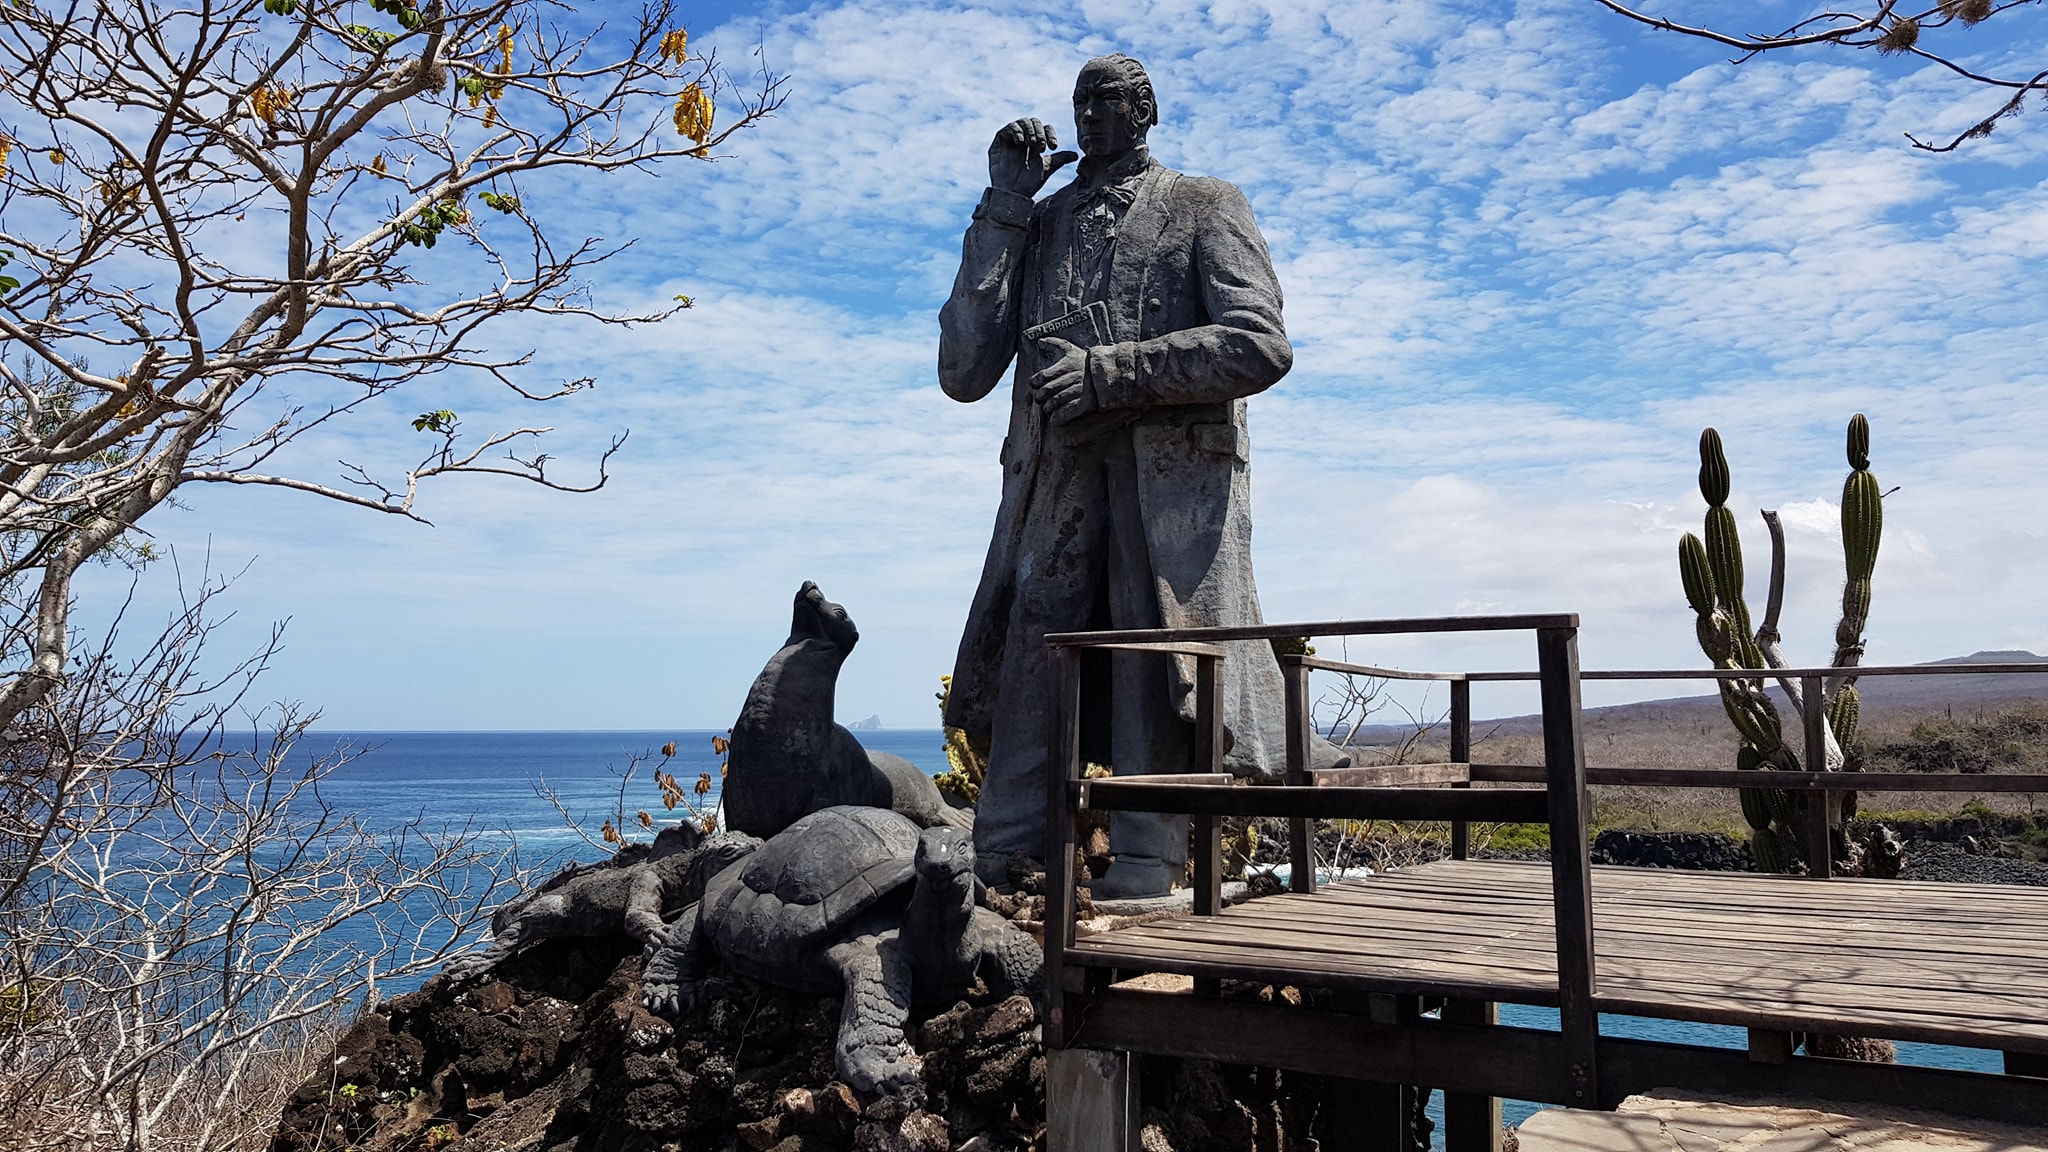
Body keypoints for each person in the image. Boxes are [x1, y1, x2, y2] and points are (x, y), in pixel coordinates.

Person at [939, 53, 1330, 898]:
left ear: (1145, 110)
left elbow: (1260, 344)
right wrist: (1005, 204)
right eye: (1079, 101)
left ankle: (1147, 866)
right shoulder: (1037, 222)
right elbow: (963, 371)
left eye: (1107, 100)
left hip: (1167, 498)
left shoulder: (1203, 204)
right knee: (1035, 659)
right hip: (1051, 487)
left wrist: (1112, 373)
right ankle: (1004, 858)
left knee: (1153, 658)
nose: (1088, 115)